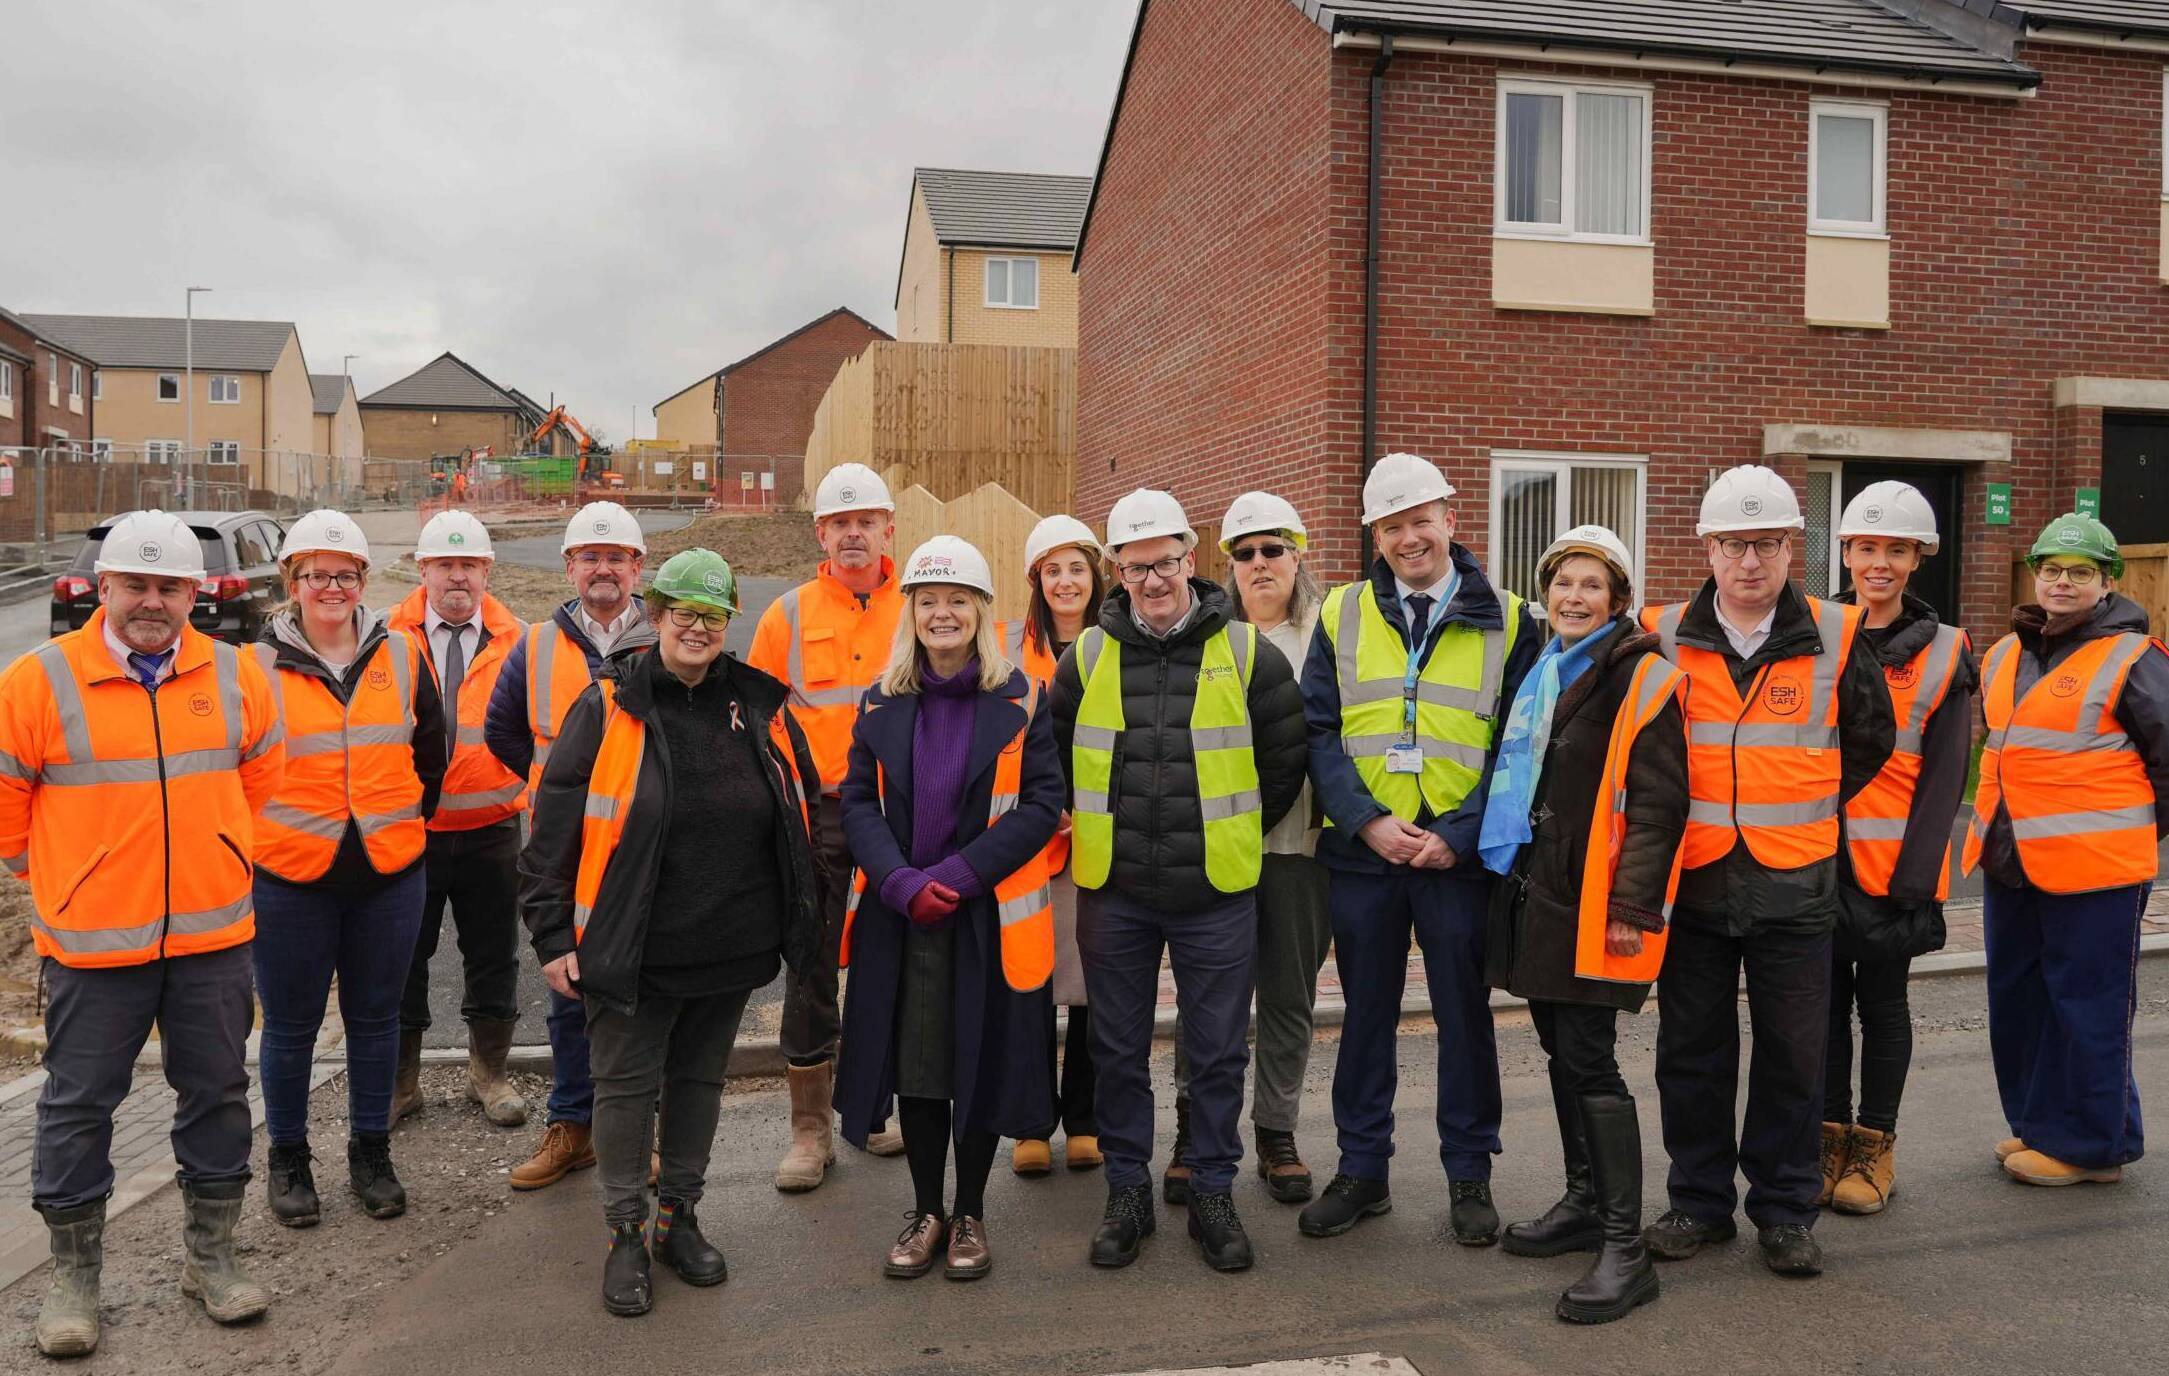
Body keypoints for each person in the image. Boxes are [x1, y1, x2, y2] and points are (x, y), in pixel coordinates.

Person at [0, 511, 285, 1356]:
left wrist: (223, 858)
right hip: (93, 946)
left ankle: (212, 1258)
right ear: (103, 587)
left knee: (220, 1094)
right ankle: (75, 1278)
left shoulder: (236, 676)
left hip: (212, 940)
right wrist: (68, 878)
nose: (152, 602)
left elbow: (261, 783)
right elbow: (8, 814)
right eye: (137, 585)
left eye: (170, 587)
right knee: (78, 1107)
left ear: (196, 593)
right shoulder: (37, 681)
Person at [523, 549, 823, 1316]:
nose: (696, 627)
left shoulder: (755, 706)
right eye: (682, 612)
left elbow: (802, 809)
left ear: (728, 623)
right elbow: (553, 826)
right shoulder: (609, 705)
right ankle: (625, 1232)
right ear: (653, 616)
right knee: (624, 1091)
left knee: (697, 1084)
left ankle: (676, 1218)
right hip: (633, 947)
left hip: (730, 941)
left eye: (712, 615)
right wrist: (554, 936)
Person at [1637, 465, 1893, 1279]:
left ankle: (1783, 1212)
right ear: (1707, 549)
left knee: (1794, 1057)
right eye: (1732, 544)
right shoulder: (1664, 632)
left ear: (1793, 547)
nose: (1749, 561)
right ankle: (1698, 1203)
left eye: (1767, 543)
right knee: (1691, 1053)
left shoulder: (1838, 632)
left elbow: (1868, 740)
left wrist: (1804, 799)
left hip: (1796, 883)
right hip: (1699, 880)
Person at [1051, 488, 1308, 1273]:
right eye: (1135, 567)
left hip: (1216, 894)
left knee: (1218, 1052)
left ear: (1189, 561)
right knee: (1118, 1051)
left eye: (1163, 562)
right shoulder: (1087, 657)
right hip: (1116, 892)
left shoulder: (1244, 653)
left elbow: (1283, 760)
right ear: (1116, 573)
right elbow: (1057, 758)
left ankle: (1212, 1192)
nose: (1152, 579)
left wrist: (1225, 837)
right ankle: (1127, 1193)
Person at [1297, 453, 1539, 1248]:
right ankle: (1362, 1171)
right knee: (1362, 1018)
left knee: (1464, 1018)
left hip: (1454, 859)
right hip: (1366, 853)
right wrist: (1364, 819)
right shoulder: (1340, 613)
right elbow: (1319, 732)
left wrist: (1459, 836)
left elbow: (1520, 746)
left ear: (1450, 517)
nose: (1409, 538)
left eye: (1420, 520)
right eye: (1392, 526)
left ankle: (1468, 1175)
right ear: (1375, 532)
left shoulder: (1510, 618)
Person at [838, 537, 1064, 1281]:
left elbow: (1040, 805)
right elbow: (856, 803)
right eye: (929, 601)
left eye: (957, 601)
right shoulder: (879, 702)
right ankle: (926, 1209)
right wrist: (902, 883)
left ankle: (970, 1212)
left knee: (977, 1066)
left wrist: (960, 876)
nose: (943, 614)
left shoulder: (1021, 698)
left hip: (982, 917)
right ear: (911, 613)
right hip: (902, 917)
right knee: (919, 1069)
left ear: (981, 613)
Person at [1480, 525, 1687, 1325]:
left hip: (1595, 902)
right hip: (1538, 893)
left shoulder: (1640, 677)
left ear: (1619, 600)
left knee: (1591, 1062)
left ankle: (1623, 1247)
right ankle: (1579, 1201)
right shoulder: (1543, 668)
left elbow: (1660, 804)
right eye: (1562, 583)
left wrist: (1633, 910)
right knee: (1560, 1052)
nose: (1573, 597)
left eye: (1590, 586)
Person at [251, 510, 447, 1228]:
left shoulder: (401, 655)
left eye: (343, 574)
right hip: (289, 876)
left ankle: (371, 1153)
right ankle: (289, 1158)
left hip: (388, 872)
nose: (329, 586)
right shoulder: (256, 665)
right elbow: (238, 767)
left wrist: (391, 822)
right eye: (313, 574)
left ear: (363, 580)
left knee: (375, 1019)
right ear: (292, 581)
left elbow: (431, 752)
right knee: (291, 1026)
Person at [1963, 513, 2169, 1188]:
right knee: (2018, 998)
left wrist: (2129, 834)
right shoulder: (2003, 655)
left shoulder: (2133, 659)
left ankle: (2087, 1147)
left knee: (2086, 1005)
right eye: (2050, 568)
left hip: (2096, 870)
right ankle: (2040, 1125)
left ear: (2106, 582)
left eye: (2079, 572)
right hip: (2009, 857)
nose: (2061, 582)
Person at [1164, 492, 1332, 1206]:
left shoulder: (1329, 636)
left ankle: (1275, 1132)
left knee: (1289, 997)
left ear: (1298, 555)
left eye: (1272, 549)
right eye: (1244, 553)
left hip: (1300, 847)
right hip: (1215, 850)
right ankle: (1189, 1130)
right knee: (1207, 1001)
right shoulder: (1205, 638)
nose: (1259, 564)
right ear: (1226, 566)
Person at [484, 501, 657, 1190]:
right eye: (590, 556)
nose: (603, 568)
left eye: (616, 557)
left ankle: (641, 1131)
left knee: (646, 991)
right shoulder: (535, 644)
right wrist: (551, 791)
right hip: (562, 850)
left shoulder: (661, 639)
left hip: (642, 848)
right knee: (566, 986)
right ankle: (573, 1126)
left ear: (637, 567)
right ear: (570, 566)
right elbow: (504, 731)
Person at [747, 462, 909, 1189]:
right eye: (839, 522)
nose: (852, 534)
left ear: (887, 529)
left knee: (894, 958)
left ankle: (873, 1109)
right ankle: (809, 1131)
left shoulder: (919, 605)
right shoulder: (787, 615)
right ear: (819, 532)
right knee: (810, 963)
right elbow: (754, 724)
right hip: (817, 812)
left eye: (864, 521)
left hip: (905, 810)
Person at [1822, 484, 1976, 1215]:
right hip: (1812, 859)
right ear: (1846, 554)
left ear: (1918, 559)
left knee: (1880, 1008)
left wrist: (1919, 877)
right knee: (1819, 1010)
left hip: (1891, 871)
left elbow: (1947, 777)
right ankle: (1826, 1148)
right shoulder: (1815, 630)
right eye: (1865, 548)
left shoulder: (1945, 652)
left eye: (1895, 550)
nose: (1877, 563)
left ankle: (1874, 1150)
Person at [386, 509, 530, 1129]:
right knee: (401, 957)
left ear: (487, 571)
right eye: (446, 565)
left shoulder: (520, 639)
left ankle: (489, 1074)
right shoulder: (386, 638)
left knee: (494, 954)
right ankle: (401, 1082)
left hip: (492, 830)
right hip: (408, 832)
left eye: (469, 565)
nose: (458, 578)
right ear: (423, 570)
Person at [999, 514, 1105, 1178]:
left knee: (1096, 981)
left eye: (1076, 567)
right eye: (1052, 570)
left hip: (1103, 837)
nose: (1065, 581)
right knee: (1028, 978)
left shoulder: (1122, 644)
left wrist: (1090, 808)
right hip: (1025, 841)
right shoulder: (1007, 647)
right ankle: (1031, 1122)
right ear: (1036, 580)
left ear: (1096, 575)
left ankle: (1087, 1119)